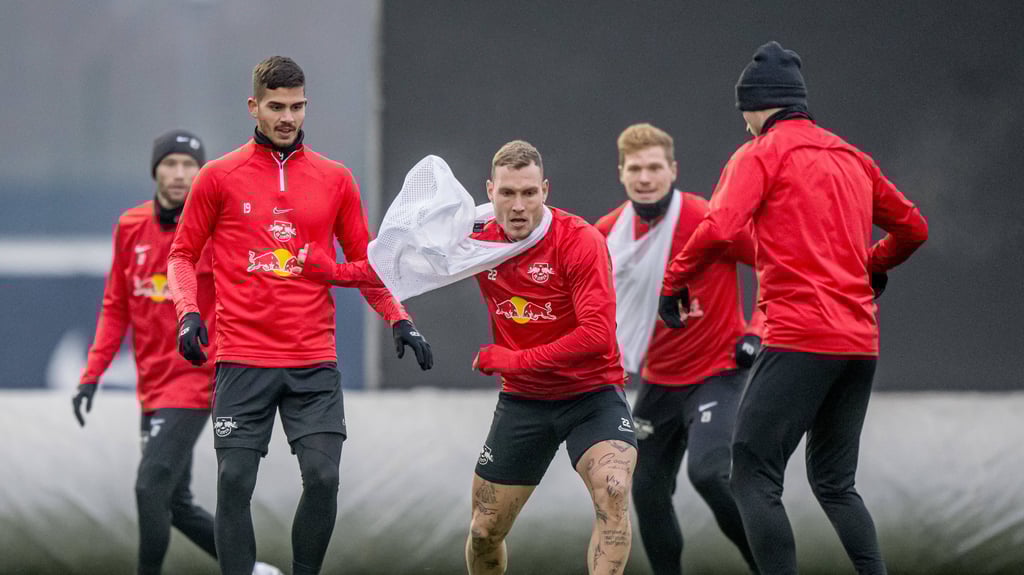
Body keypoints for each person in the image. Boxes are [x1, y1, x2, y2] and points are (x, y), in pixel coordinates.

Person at [659, 41, 928, 575]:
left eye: (744, 114)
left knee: (752, 475)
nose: (743, 125)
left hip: (800, 338)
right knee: (835, 483)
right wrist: (871, 264)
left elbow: (720, 227)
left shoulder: (759, 154)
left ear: (759, 107)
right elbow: (914, 228)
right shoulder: (853, 157)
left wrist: (673, 282)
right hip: (859, 345)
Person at [166, 56, 432, 575]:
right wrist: (187, 313)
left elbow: (366, 264)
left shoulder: (336, 179)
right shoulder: (218, 177)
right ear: (254, 107)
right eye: (276, 107)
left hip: (313, 360)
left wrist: (400, 318)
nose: (287, 117)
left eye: (296, 106)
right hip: (243, 358)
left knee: (324, 478)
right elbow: (181, 255)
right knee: (234, 480)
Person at [72, 131, 281, 575]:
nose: (180, 174)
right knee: (175, 501)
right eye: (170, 164)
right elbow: (116, 306)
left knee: (150, 487)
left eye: (190, 166)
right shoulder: (130, 226)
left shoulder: (215, 229)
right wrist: (92, 374)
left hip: (196, 376)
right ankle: (255, 569)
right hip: (152, 383)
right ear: (155, 170)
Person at [593, 123, 763, 575]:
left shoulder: (708, 218)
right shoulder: (607, 234)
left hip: (718, 373)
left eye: (654, 167)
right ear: (621, 174)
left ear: (673, 170)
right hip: (658, 382)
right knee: (643, 489)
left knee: (709, 474)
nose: (645, 177)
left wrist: (757, 328)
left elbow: (777, 263)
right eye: (635, 168)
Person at [465, 141, 637, 575]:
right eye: (507, 193)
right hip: (525, 402)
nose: (519, 205)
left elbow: (598, 336)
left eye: (529, 193)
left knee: (613, 491)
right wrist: (321, 269)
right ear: (490, 192)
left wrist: (514, 361)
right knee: (484, 532)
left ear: (546, 190)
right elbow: (391, 262)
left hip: (592, 395)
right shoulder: (473, 239)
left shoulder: (580, 240)